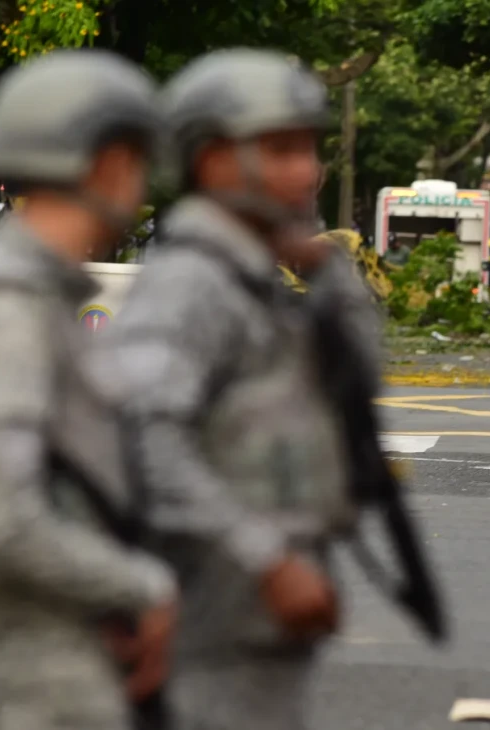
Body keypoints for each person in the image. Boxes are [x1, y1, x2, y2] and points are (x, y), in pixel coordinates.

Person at [0, 51, 178, 730]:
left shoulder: (20, 297)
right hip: (43, 670)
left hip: (55, 641)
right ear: (106, 164)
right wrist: (141, 586)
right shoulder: (10, 311)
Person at [100, 49, 348, 730]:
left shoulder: (247, 276)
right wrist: (268, 561)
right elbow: (147, 437)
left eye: (309, 149)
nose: (307, 171)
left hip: (249, 624)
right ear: (211, 160)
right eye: (280, 150)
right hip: (205, 625)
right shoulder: (192, 285)